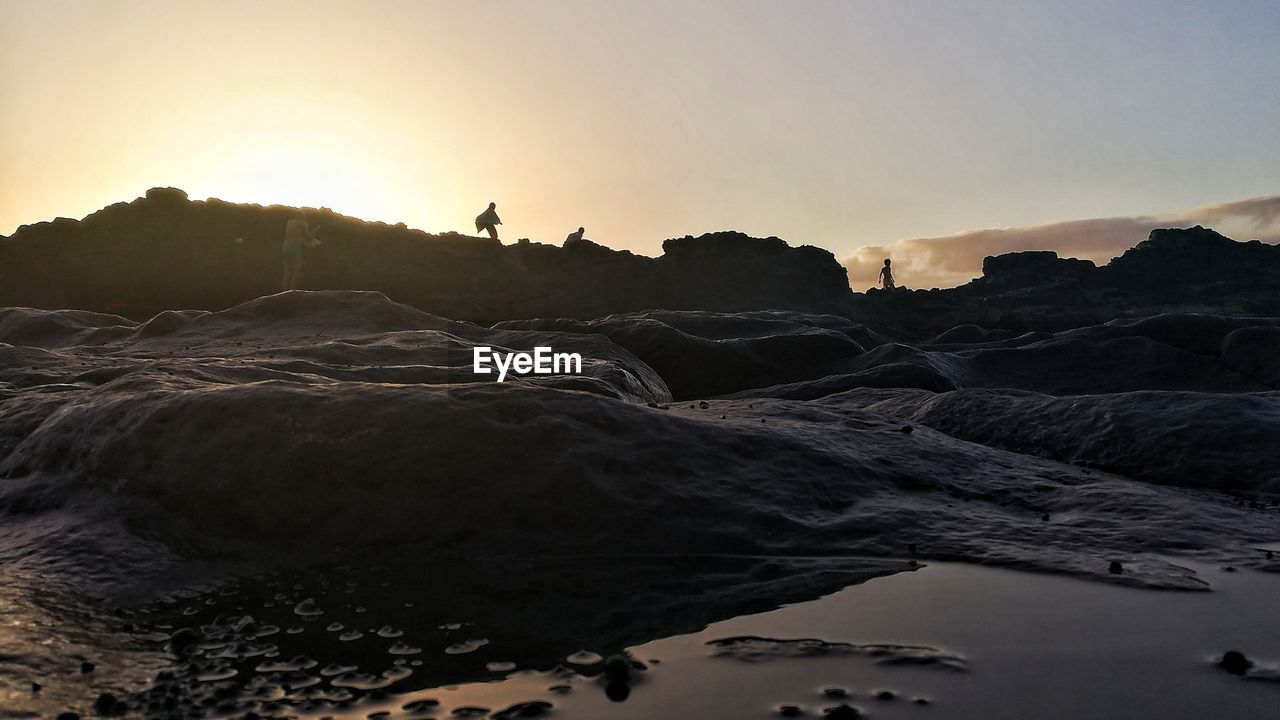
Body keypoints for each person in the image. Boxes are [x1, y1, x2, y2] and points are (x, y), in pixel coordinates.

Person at [282, 212, 321, 291]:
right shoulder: (303, 223)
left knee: (287, 272)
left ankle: (284, 292)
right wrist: (315, 231)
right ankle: (292, 292)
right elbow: (309, 238)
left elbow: (294, 235)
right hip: (295, 248)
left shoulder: (290, 222)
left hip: (285, 247)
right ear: (303, 216)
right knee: (296, 272)